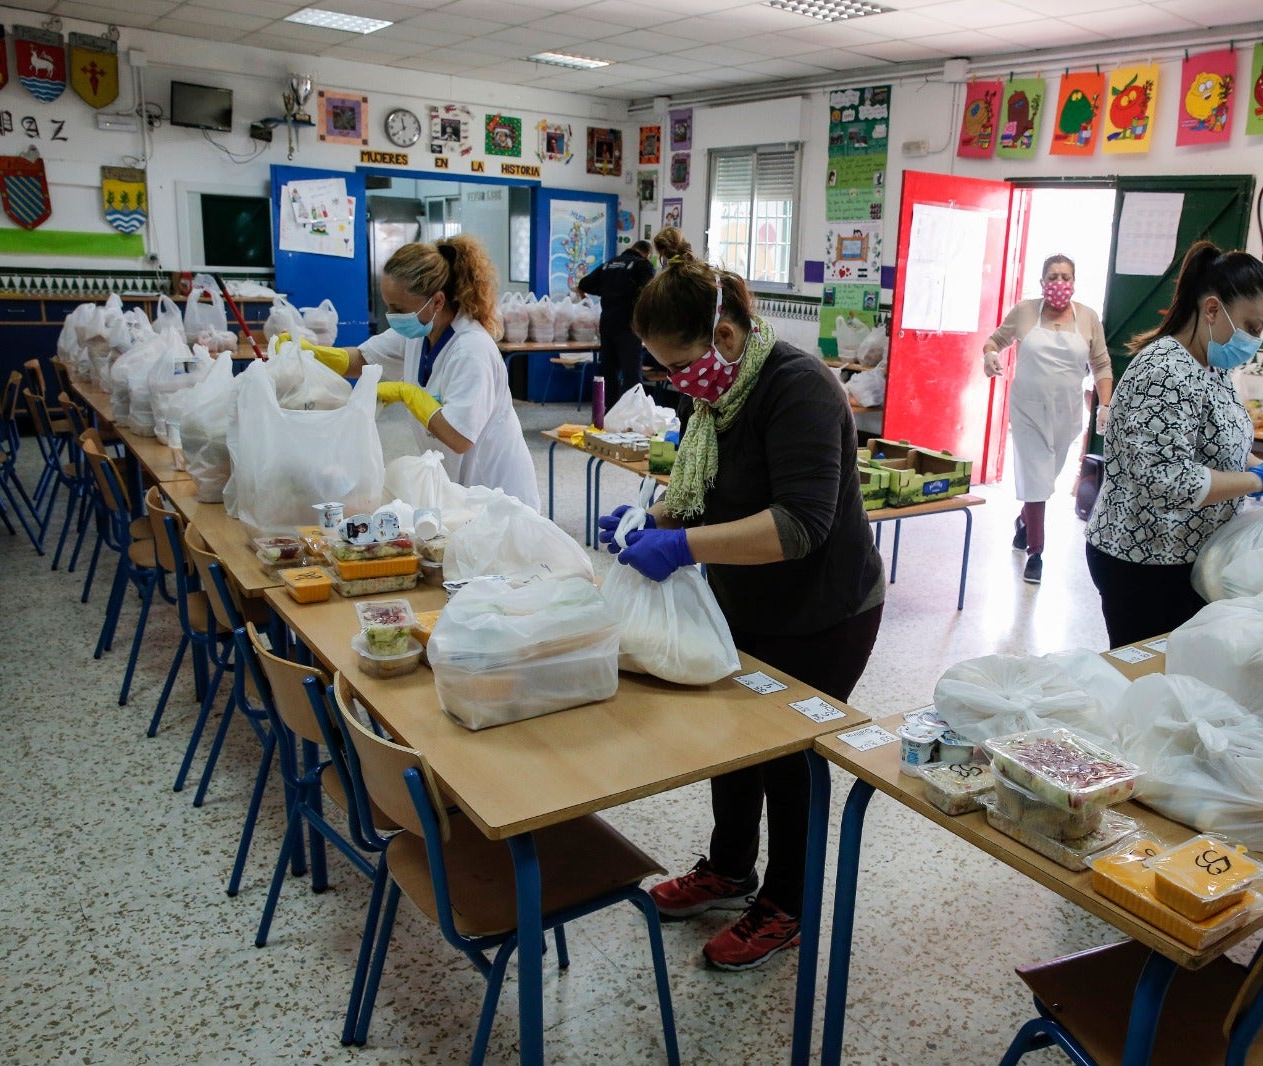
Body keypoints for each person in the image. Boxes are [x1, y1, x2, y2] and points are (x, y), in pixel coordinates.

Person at [598, 256, 884, 971]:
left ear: (724, 336)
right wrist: (653, 519)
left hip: (825, 610)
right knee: (734, 740)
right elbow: (705, 490)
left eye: (678, 365)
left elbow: (800, 525)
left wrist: (682, 546)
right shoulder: (715, 395)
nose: (674, 381)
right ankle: (729, 870)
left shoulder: (799, 389)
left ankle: (786, 906)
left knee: (788, 760)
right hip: (745, 598)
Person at [1084, 240, 1263, 648]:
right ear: (1212, 310)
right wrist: (1259, 481)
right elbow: (1169, 481)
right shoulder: (1164, 371)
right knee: (1150, 672)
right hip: (1143, 558)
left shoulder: (1210, 365)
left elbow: (1219, 441)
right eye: (1252, 328)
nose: (1256, 340)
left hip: (1188, 554)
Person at [282, 235, 540, 509]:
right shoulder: (418, 334)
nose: (391, 316)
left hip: (498, 495)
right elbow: (362, 359)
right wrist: (309, 352)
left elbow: (459, 437)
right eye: (388, 306)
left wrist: (408, 393)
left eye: (398, 308)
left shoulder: (471, 351)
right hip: (458, 491)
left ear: (437, 301)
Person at [982, 254, 1112, 585]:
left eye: (1066, 277)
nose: (1059, 283)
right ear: (1042, 282)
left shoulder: (1088, 318)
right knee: (1036, 476)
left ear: (1074, 282)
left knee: (1044, 481)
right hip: (1028, 410)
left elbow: (1101, 365)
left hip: (1066, 414)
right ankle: (1036, 553)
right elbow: (995, 340)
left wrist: (1105, 405)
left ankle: (1024, 521)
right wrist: (990, 355)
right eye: (1053, 277)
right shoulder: (1025, 311)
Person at [576, 239, 654, 407]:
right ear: (647, 254)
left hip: (607, 325)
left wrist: (603, 293)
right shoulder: (642, 265)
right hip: (629, 326)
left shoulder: (609, 264)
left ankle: (609, 413)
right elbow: (649, 293)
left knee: (609, 373)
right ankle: (632, 413)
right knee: (631, 374)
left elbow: (583, 284)